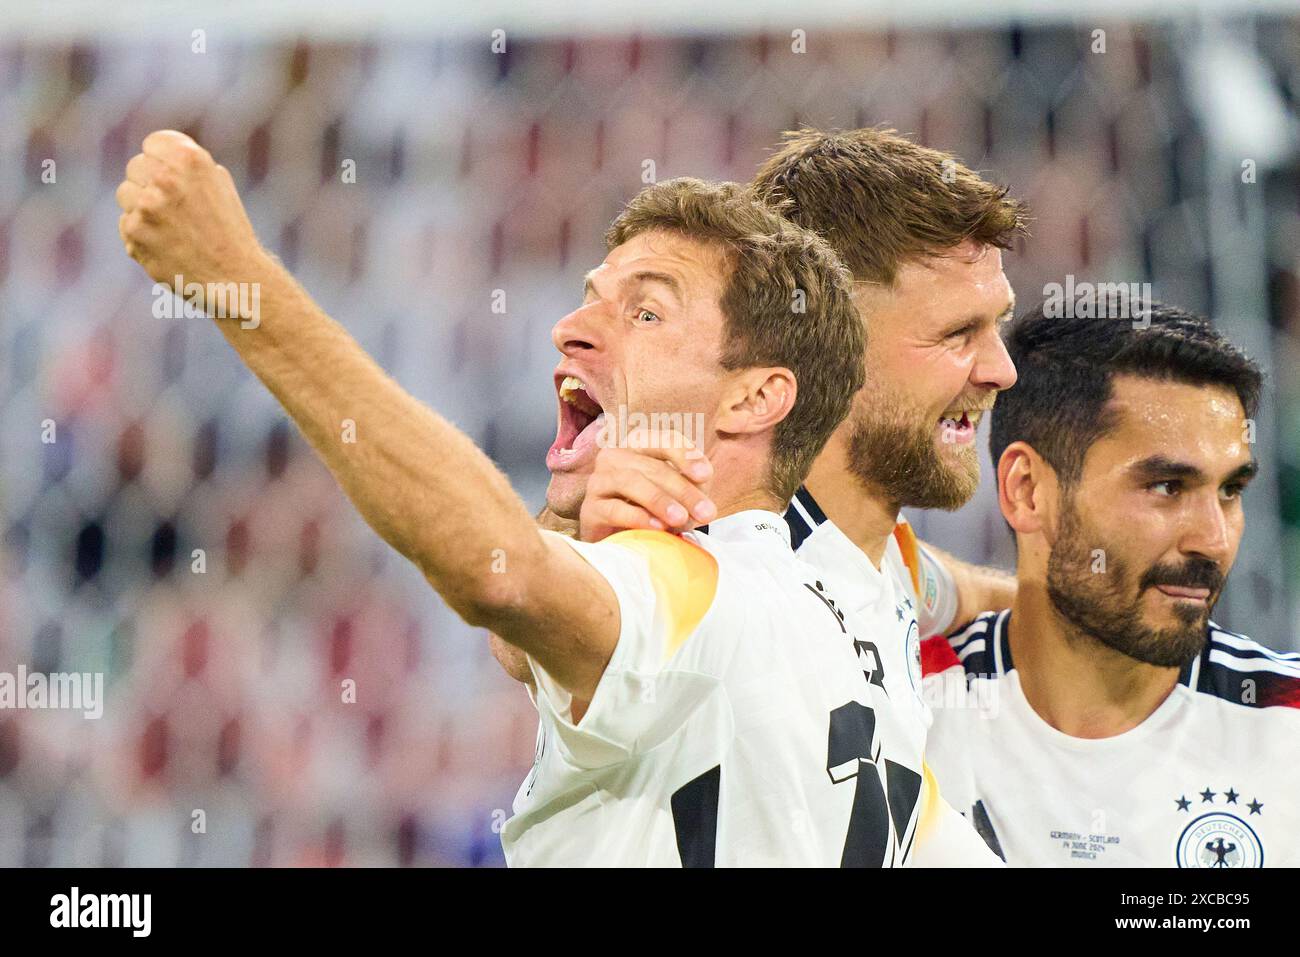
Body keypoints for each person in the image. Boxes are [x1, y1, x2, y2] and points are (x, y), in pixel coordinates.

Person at [116, 130, 946, 866]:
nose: (570, 328)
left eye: (647, 311)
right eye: (591, 295)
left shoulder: (694, 582)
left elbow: (500, 573)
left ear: (754, 399)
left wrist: (239, 282)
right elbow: (529, 631)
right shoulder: (860, 624)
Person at [501, 127, 1030, 865]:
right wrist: (565, 527)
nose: (1001, 368)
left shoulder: (869, 557)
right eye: (959, 333)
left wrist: (1048, 599)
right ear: (840, 345)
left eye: (995, 324)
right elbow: (533, 619)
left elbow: (936, 587)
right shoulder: (694, 536)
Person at [922, 298, 1300, 867]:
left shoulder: (1286, 723)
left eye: (1230, 490)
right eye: (1167, 486)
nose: (1214, 540)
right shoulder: (905, 704)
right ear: (1027, 490)